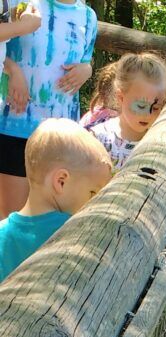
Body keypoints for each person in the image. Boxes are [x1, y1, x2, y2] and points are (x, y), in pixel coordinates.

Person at [0, 0, 97, 218]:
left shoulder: (89, 17)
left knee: (52, 221)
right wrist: (13, 70)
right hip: (14, 126)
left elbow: (85, 59)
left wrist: (87, 70)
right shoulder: (24, 4)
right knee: (11, 218)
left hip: (60, 138)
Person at [0, 117, 111, 281]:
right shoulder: (75, 232)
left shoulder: (3, 232)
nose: (95, 202)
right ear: (61, 181)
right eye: (92, 192)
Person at [84, 52, 166, 170]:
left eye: (156, 107)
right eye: (141, 106)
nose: (147, 115)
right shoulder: (97, 139)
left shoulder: (160, 141)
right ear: (121, 98)